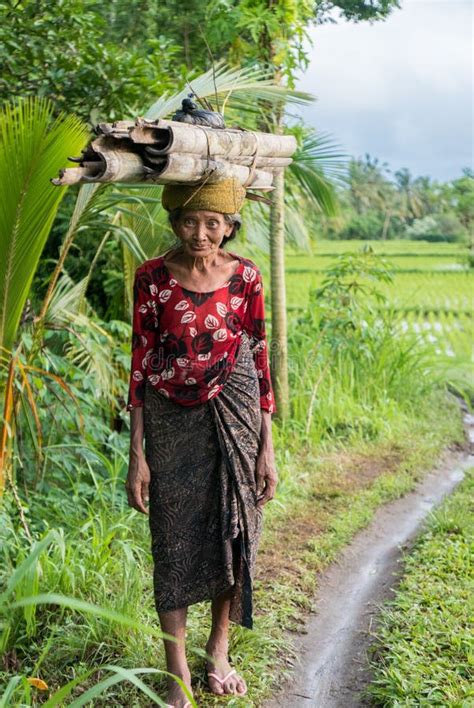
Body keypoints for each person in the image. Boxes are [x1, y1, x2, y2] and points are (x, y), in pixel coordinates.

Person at [125, 177, 278, 708]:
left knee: (232, 525)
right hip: (170, 416)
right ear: (174, 224)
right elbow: (141, 363)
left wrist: (267, 447)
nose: (201, 232)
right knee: (172, 534)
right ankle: (176, 677)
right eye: (190, 221)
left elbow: (259, 359)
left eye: (213, 222)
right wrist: (137, 455)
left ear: (230, 226)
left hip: (236, 412)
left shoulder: (247, 279)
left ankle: (218, 650)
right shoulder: (151, 278)